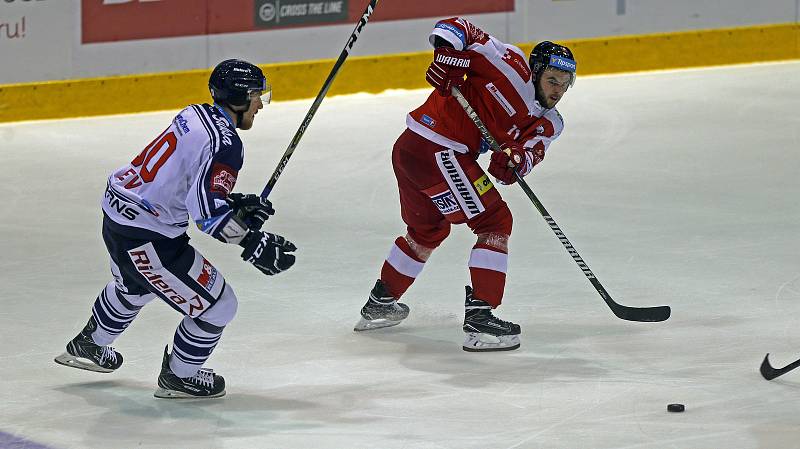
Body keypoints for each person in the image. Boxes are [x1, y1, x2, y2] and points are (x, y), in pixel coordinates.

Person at [54, 59, 297, 398]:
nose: (260, 104)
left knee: (137, 286)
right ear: (239, 98)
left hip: (119, 211)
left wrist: (235, 203)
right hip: (147, 235)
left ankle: (89, 344)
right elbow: (208, 216)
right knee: (220, 306)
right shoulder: (227, 145)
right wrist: (254, 243)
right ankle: (180, 376)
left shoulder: (194, 114)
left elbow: (184, 179)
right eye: (257, 95)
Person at [354, 17, 576, 352]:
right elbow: (460, 28)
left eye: (565, 83)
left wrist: (515, 161)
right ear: (536, 71)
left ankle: (379, 304)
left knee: (427, 232)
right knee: (495, 222)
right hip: (437, 149)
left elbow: (529, 155)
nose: (557, 90)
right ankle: (481, 318)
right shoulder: (511, 65)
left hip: (415, 153)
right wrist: (447, 55)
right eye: (552, 79)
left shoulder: (550, 122)